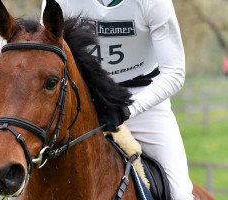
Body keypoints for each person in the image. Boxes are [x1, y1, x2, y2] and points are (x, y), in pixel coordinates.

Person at [41, 0, 194, 199]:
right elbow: (44, 57)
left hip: (144, 101)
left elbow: (174, 72)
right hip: (85, 100)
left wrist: (127, 110)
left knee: (180, 193)